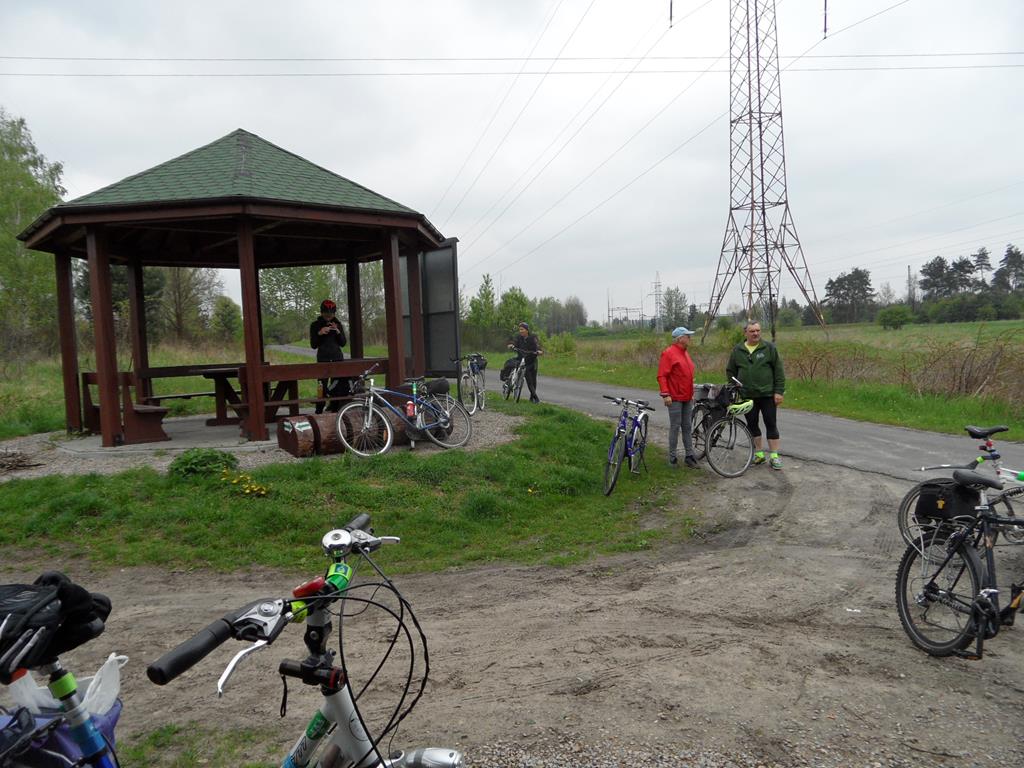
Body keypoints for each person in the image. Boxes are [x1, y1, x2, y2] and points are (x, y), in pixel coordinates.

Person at [726, 320, 786, 469]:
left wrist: (778, 391)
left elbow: (778, 371)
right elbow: (730, 371)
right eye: (752, 331)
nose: (755, 333)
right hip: (747, 395)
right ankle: (759, 454)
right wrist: (735, 387)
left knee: (771, 423)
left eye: (758, 330)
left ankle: (774, 456)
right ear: (745, 333)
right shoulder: (738, 350)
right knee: (752, 425)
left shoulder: (769, 348)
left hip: (767, 394)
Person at [657, 326, 699, 468]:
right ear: (680, 338)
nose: (690, 338)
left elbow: (687, 374)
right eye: (688, 336)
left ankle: (689, 456)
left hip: (687, 396)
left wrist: (691, 394)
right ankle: (672, 458)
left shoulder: (685, 353)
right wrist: (665, 394)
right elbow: (662, 375)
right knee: (675, 426)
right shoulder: (668, 353)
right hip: (674, 397)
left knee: (687, 426)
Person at [309, 299, 349, 414]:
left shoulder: (337, 324)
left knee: (336, 385)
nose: (329, 315)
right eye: (326, 313)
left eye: (331, 313)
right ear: (322, 312)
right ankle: (319, 410)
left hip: (337, 359)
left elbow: (343, 343)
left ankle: (335, 409)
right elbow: (313, 345)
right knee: (321, 385)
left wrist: (337, 331)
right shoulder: (315, 325)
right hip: (323, 359)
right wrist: (320, 333)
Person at [506, 322, 544, 403]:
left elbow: (537, 345)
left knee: (533, 380)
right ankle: (536, 398)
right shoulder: (518, 337)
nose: (521, 331)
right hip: (523, 361)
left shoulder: (533, 337)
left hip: (532, 360)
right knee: (529, 380)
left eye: (522, 329)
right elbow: (514, 342)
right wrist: (511, 345)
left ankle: (532, 398)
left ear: (527, 330)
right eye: (520, 329)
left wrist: (539, 351)